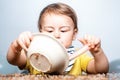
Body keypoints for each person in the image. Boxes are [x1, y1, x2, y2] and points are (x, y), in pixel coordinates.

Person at [6, 2, 109, 76]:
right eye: (49, 31)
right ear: (41, 33)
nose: (56, 35)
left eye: (63, 30)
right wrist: (16, 47)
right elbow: (13, 60)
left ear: (74, 34)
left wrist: (97, 52)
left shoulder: (79, 57)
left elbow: (100, 70)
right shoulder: (35, 53)